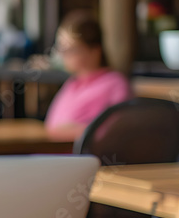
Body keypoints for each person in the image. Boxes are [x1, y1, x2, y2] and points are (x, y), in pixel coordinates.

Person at [44, 10, 132, 141]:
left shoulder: (115, 83)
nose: (64, 55)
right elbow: (51, 125)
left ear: (95, 51)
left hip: (85, 157)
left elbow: (116, 130)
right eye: (61, 49)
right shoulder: (73, 83)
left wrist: (70, 131)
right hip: (56, 154)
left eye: (71, 49)